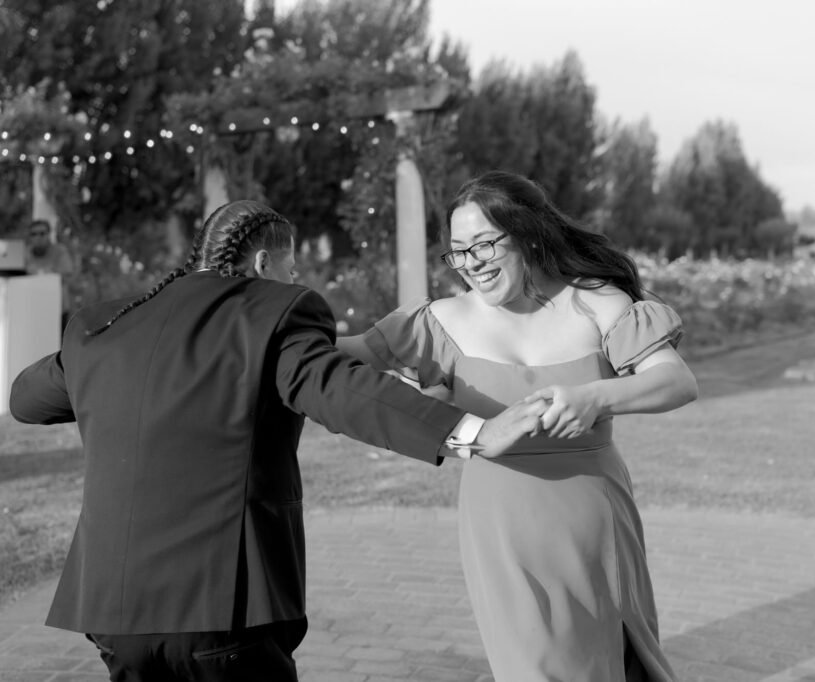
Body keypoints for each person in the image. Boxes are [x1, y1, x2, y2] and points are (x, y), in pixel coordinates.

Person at [9, 200, 546, 682]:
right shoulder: (275, 313)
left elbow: (26, 400)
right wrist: (475, 433)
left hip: (115, 618)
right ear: (265, 266)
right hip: (223, 617)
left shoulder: (104, 326)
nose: (294, 280)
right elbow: (342, 392)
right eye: (292, 269)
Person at [336, 171, 699, 681]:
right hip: (500, 524)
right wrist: (272, 311)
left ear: (527, 232)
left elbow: (676, 382)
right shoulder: (435, 321)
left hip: (595, 518)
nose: (471, 264)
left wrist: (595, 395)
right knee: (534, 668)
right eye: (458, 251)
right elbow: (344, 356)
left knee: (619, 663)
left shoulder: (595, 301)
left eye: (483, 244)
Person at [25, 218, 77, 325]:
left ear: (49, 234)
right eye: (33, 234)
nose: (38, 237)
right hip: (31, 308)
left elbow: (67, 276)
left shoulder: (59, 251)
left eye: (42, 233)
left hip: (57, 309)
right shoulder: (24, 254)